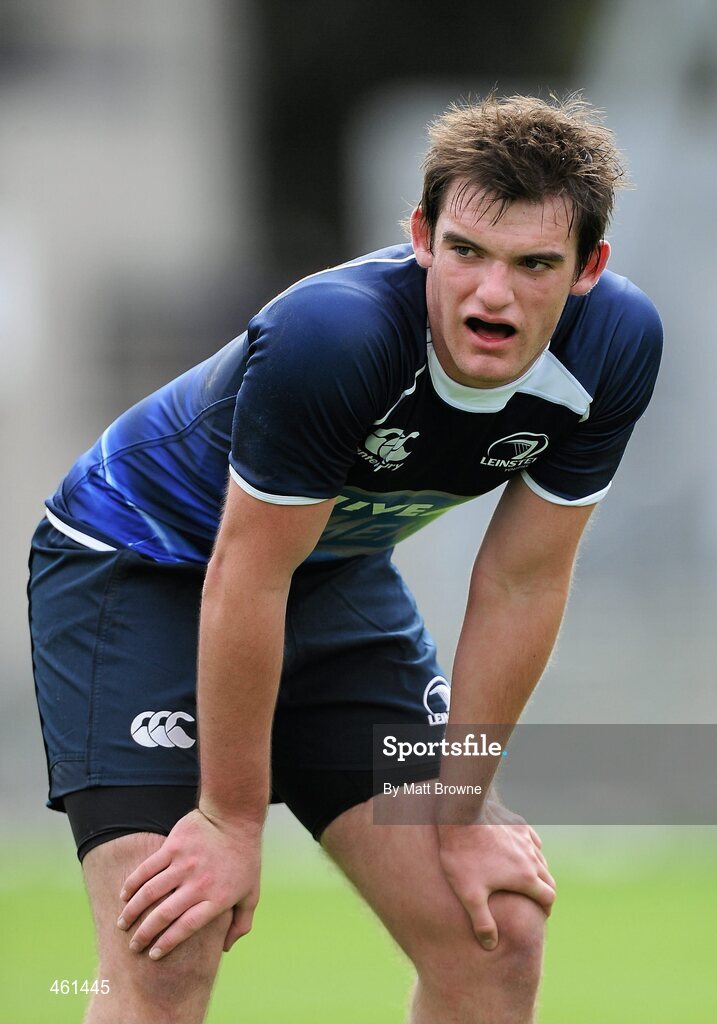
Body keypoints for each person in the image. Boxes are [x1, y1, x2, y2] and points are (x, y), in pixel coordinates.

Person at [28, 94, 662, 1023]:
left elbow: (522, 579)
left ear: (587, 269)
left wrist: (459, 804)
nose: (492, 294)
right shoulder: (335, 336)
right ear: (420, 236)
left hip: (330, 572)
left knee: (492, 925)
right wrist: (230, 820)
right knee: (170, 935)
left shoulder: (615, 346)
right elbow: (246, 574)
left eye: (533, 264)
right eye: (466, 252)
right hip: (136, 568)